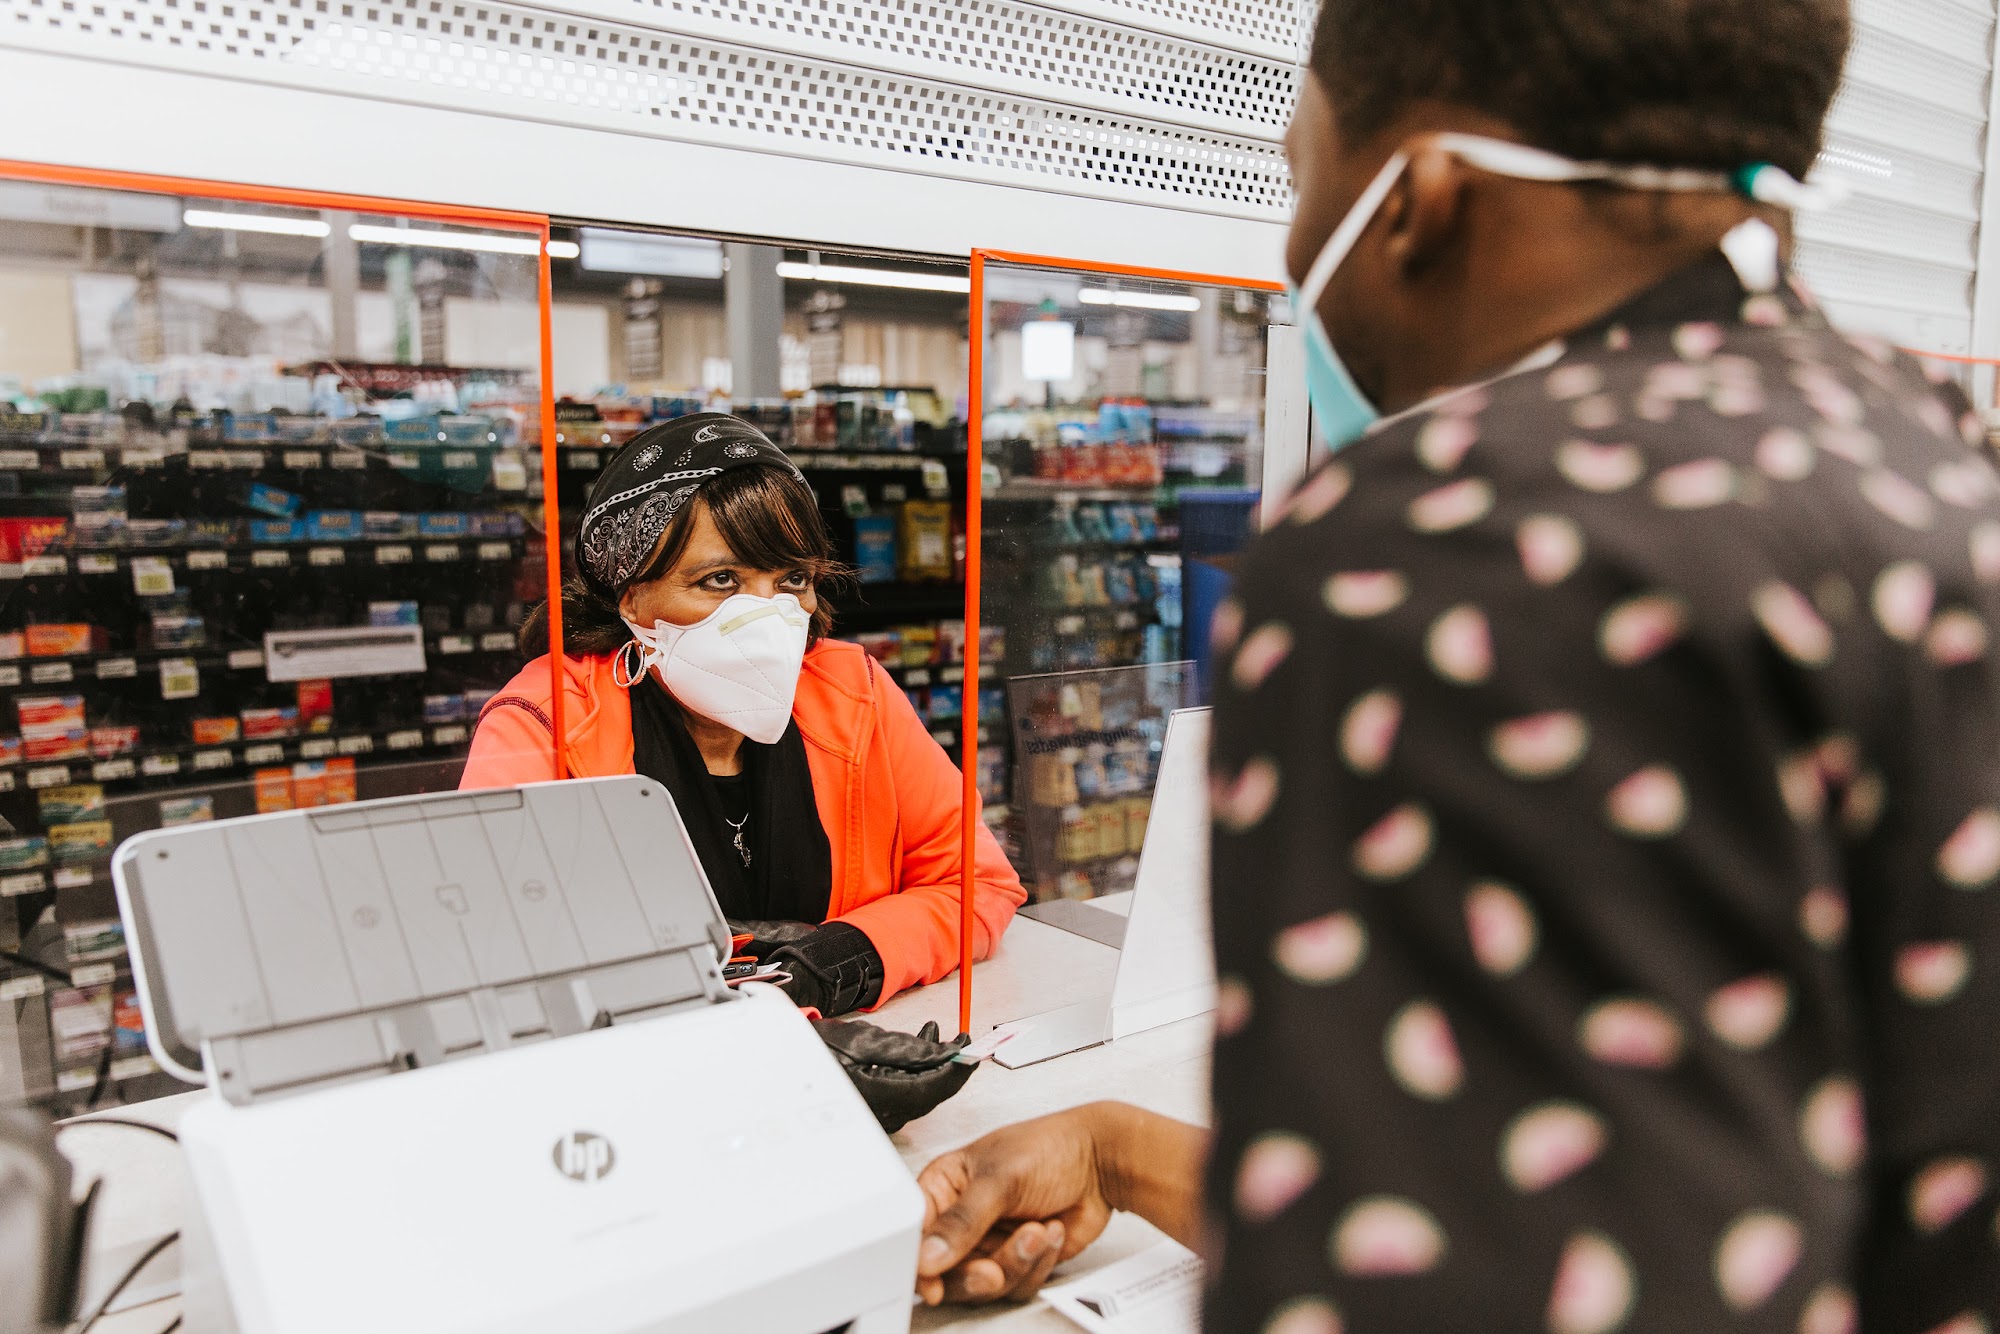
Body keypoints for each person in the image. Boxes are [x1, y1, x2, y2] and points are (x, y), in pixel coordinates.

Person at [915, 0, 2000, 1329]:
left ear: (1416, 197)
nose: (1296, 240)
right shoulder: (1929, 453)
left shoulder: (1443, 547)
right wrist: (1128, 1152)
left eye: (1299, 173)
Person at [461, 412, 1025, 1016]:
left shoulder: (854, 691)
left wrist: (846, 959)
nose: (765, 614)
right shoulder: (543, 721)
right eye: (720, 580)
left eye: (793, 579)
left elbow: (977, 883)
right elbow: (486, 948)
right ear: (631, 595)